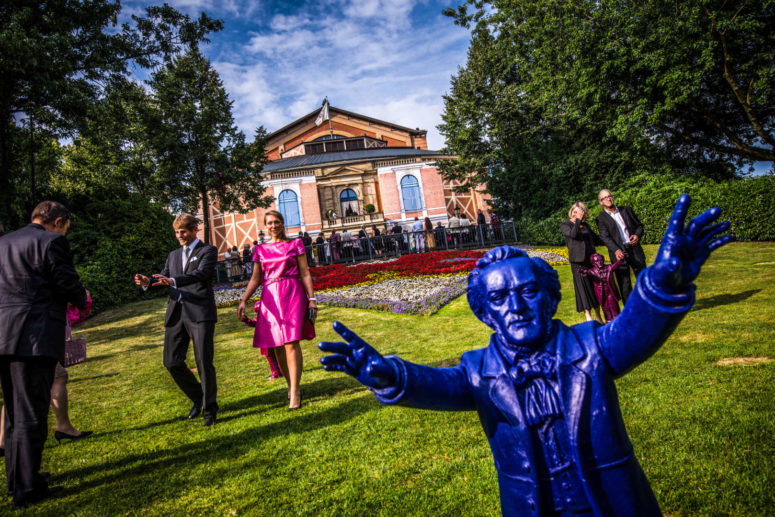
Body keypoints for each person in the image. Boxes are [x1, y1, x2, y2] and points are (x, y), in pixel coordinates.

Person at [319, 194, 732, 517]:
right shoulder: (479, 371)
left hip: (615, 506)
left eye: (528, 291)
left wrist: (662, 282)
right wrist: (391, 376)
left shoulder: (592, 347)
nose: (515, 305)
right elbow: (438, 385)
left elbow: (636, 329)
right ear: (484, 312)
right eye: (499, 298)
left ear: (551, 298)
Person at [0, 201, 88, 507]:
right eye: (65, 226)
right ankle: (28, 489)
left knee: (13, 411)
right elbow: (65, 281)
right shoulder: (52, 242)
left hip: (3, 334)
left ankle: (17, 479)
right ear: (59, 222)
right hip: (33, 337)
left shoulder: (4, 242)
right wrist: (81, 299)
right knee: (32, 413)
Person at [133, 214, 219, 426]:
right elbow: (162, 277)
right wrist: (147, 281)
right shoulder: (173, 255)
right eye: (177, 232)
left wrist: (172, 281)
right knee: (171, 361)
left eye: (184, 231)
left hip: (199, 313)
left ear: (194, 229)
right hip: (176, 314)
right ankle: (198, 397)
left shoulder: (208, 251)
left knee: (203, 362)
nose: (180, 236)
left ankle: (210, 411)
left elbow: (200, 275)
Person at [237, 211, 317, 410]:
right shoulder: (260, 250)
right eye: (270, 223)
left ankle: (296, 391)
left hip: (292, 293)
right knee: (277, 344)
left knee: (291, 342)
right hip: (270, 297)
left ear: (283, 223)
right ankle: (289, 385)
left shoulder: (295, 244)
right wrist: (243, 300)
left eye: (277, 222)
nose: (274, 225)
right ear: (265, 226)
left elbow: (305, 273)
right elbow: (256, 278)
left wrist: (312, 299)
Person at [0, 294, 94, 452]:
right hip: (35, 333)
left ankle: (3, 440)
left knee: (17, 387)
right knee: (57, 377)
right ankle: (63, 427)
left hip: (16, 333)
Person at [595, 189, 647, 302]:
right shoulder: (600, 219)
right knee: (624, 283)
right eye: (605, 198)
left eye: (609, 196)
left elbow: (639, 226)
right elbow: (605, 237)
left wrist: (637, 235)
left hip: (634, 249)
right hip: (619, 254)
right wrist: (616, 250)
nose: (608, 198)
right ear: (601, 202)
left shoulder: (627, 210)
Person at [561, 201, 604, 323]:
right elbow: (573, 235)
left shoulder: (586, 226)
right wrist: (578, 220)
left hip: (591, 260)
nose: (575, 214)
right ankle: (587, 315)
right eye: (574, 211)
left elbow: (597, 240)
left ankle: (598, 314)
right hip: (578, 262)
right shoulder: (566, 224)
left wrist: (612, 242)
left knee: (594, 286)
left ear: (583, 213)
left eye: (578, 212)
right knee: (583, 287)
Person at [240, 300, 284, 380]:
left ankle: (279, 372)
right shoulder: (260, 318)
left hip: (272, 340)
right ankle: (277, 372)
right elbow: (253, 323)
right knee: (272, 357)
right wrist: (246, 320)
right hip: (267, 341)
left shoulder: (268, 317)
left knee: (276, 356)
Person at [580, 253, 627, 322]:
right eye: (596, 261)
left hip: (610, 292)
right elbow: (587, 273)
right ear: (593, 263)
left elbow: (615, 265)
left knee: (614, 307)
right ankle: (608, 322)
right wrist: (584, 272)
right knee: (606, 309)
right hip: (601, 294)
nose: (599, 262)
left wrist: (620, 260)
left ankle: (617, 322)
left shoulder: (608, 268)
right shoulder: (592, 271)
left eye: (600, 260)